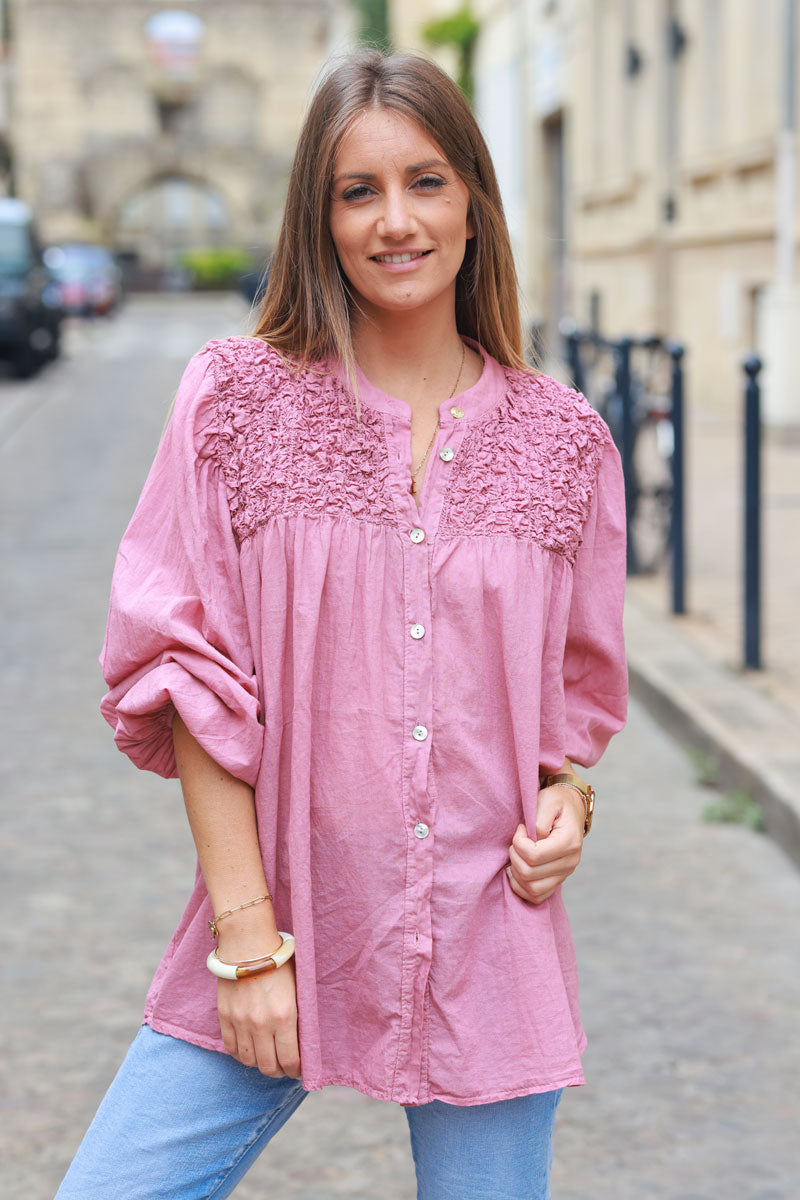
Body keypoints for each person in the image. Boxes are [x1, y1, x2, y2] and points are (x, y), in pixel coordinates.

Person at [56, 49, 627, 1200]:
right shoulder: (237, 401)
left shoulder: (564, 443)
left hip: (486, 939)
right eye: (355, 191)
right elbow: (186, 672)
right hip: (282, 927)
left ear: (473, 199)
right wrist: (248, 942)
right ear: (316, 218)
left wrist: (569, 802)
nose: (394, 221)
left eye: (423, 182)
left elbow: (566, 708)